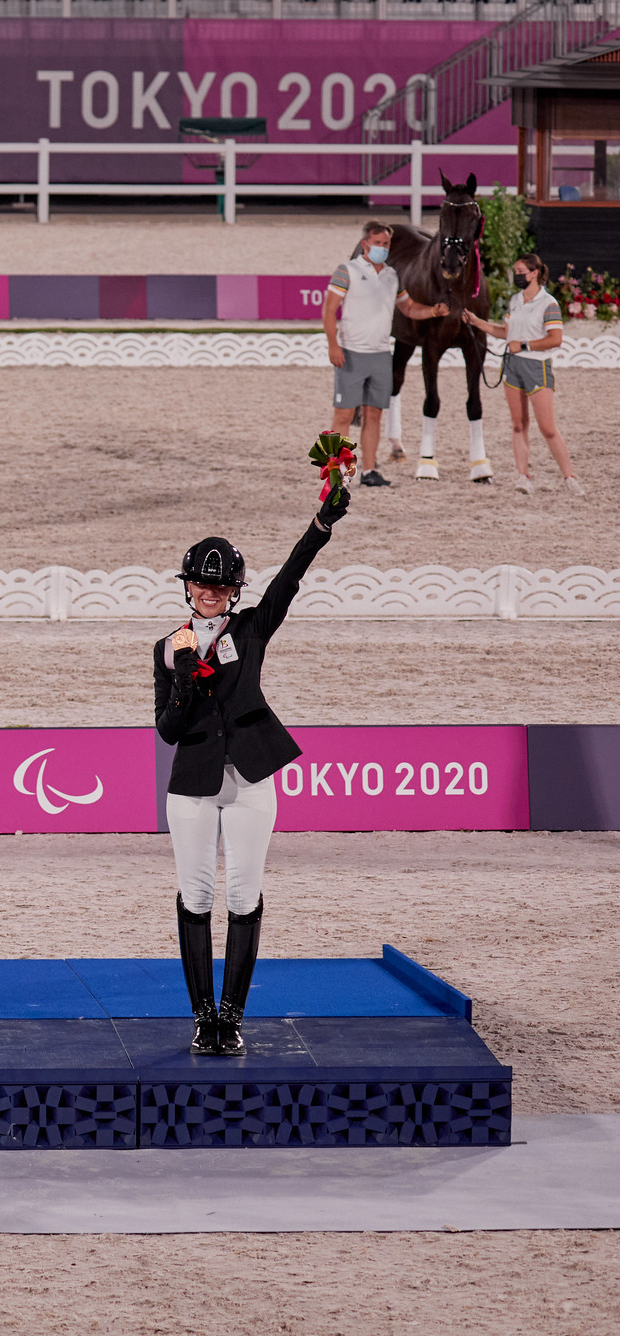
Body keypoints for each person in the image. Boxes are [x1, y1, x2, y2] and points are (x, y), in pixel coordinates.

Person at [153, 479, 349, 1056]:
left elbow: (289, 580)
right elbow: (166, 731)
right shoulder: (169, 646)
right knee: (195, 893)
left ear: (234, 590)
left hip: (250, 776)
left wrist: (320, 528)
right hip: (192, 783)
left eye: (219, 584)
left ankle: (233, 1016)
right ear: (188, 586)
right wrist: (184, 684)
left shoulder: (251, 630)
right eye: (201, 582)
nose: (209, 592)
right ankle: (201, 1016)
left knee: (243, 892)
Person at [323, 222, 451, 488]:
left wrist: (432, 311)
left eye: (386, 244)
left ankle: (369, 470)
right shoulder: (346, 271)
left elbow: (409, 308)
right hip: (352, 353)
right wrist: (333, 346)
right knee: (343, 415)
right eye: (378, 243)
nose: (383, 248)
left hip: (381, 353)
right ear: (366, 243)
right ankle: (338, 474)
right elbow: (329, 310)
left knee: (374, 415)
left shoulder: (393, 276)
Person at [464, 254, 584, 497]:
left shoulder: (548, 304)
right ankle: (522, 476)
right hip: (512, 366)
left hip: (536, 367)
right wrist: (478, 323)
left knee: (547, 427)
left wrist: (526, 345)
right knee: (518, 425)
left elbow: (555, 339)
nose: (517, 275)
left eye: (521, 271)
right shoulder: (515, 301)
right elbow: (507, 333)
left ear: (534, 273)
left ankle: (569, 476)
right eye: (516, 271)